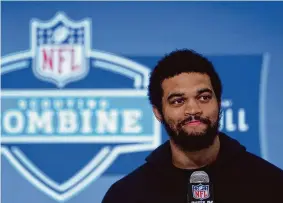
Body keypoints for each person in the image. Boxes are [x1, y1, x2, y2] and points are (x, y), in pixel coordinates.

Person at [102, 49, 283, 203]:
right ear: (158, 112)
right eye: (178, 101)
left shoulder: (272, 185)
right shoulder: (126, 195)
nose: (193, 109)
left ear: (219, 103)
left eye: (204, 97)